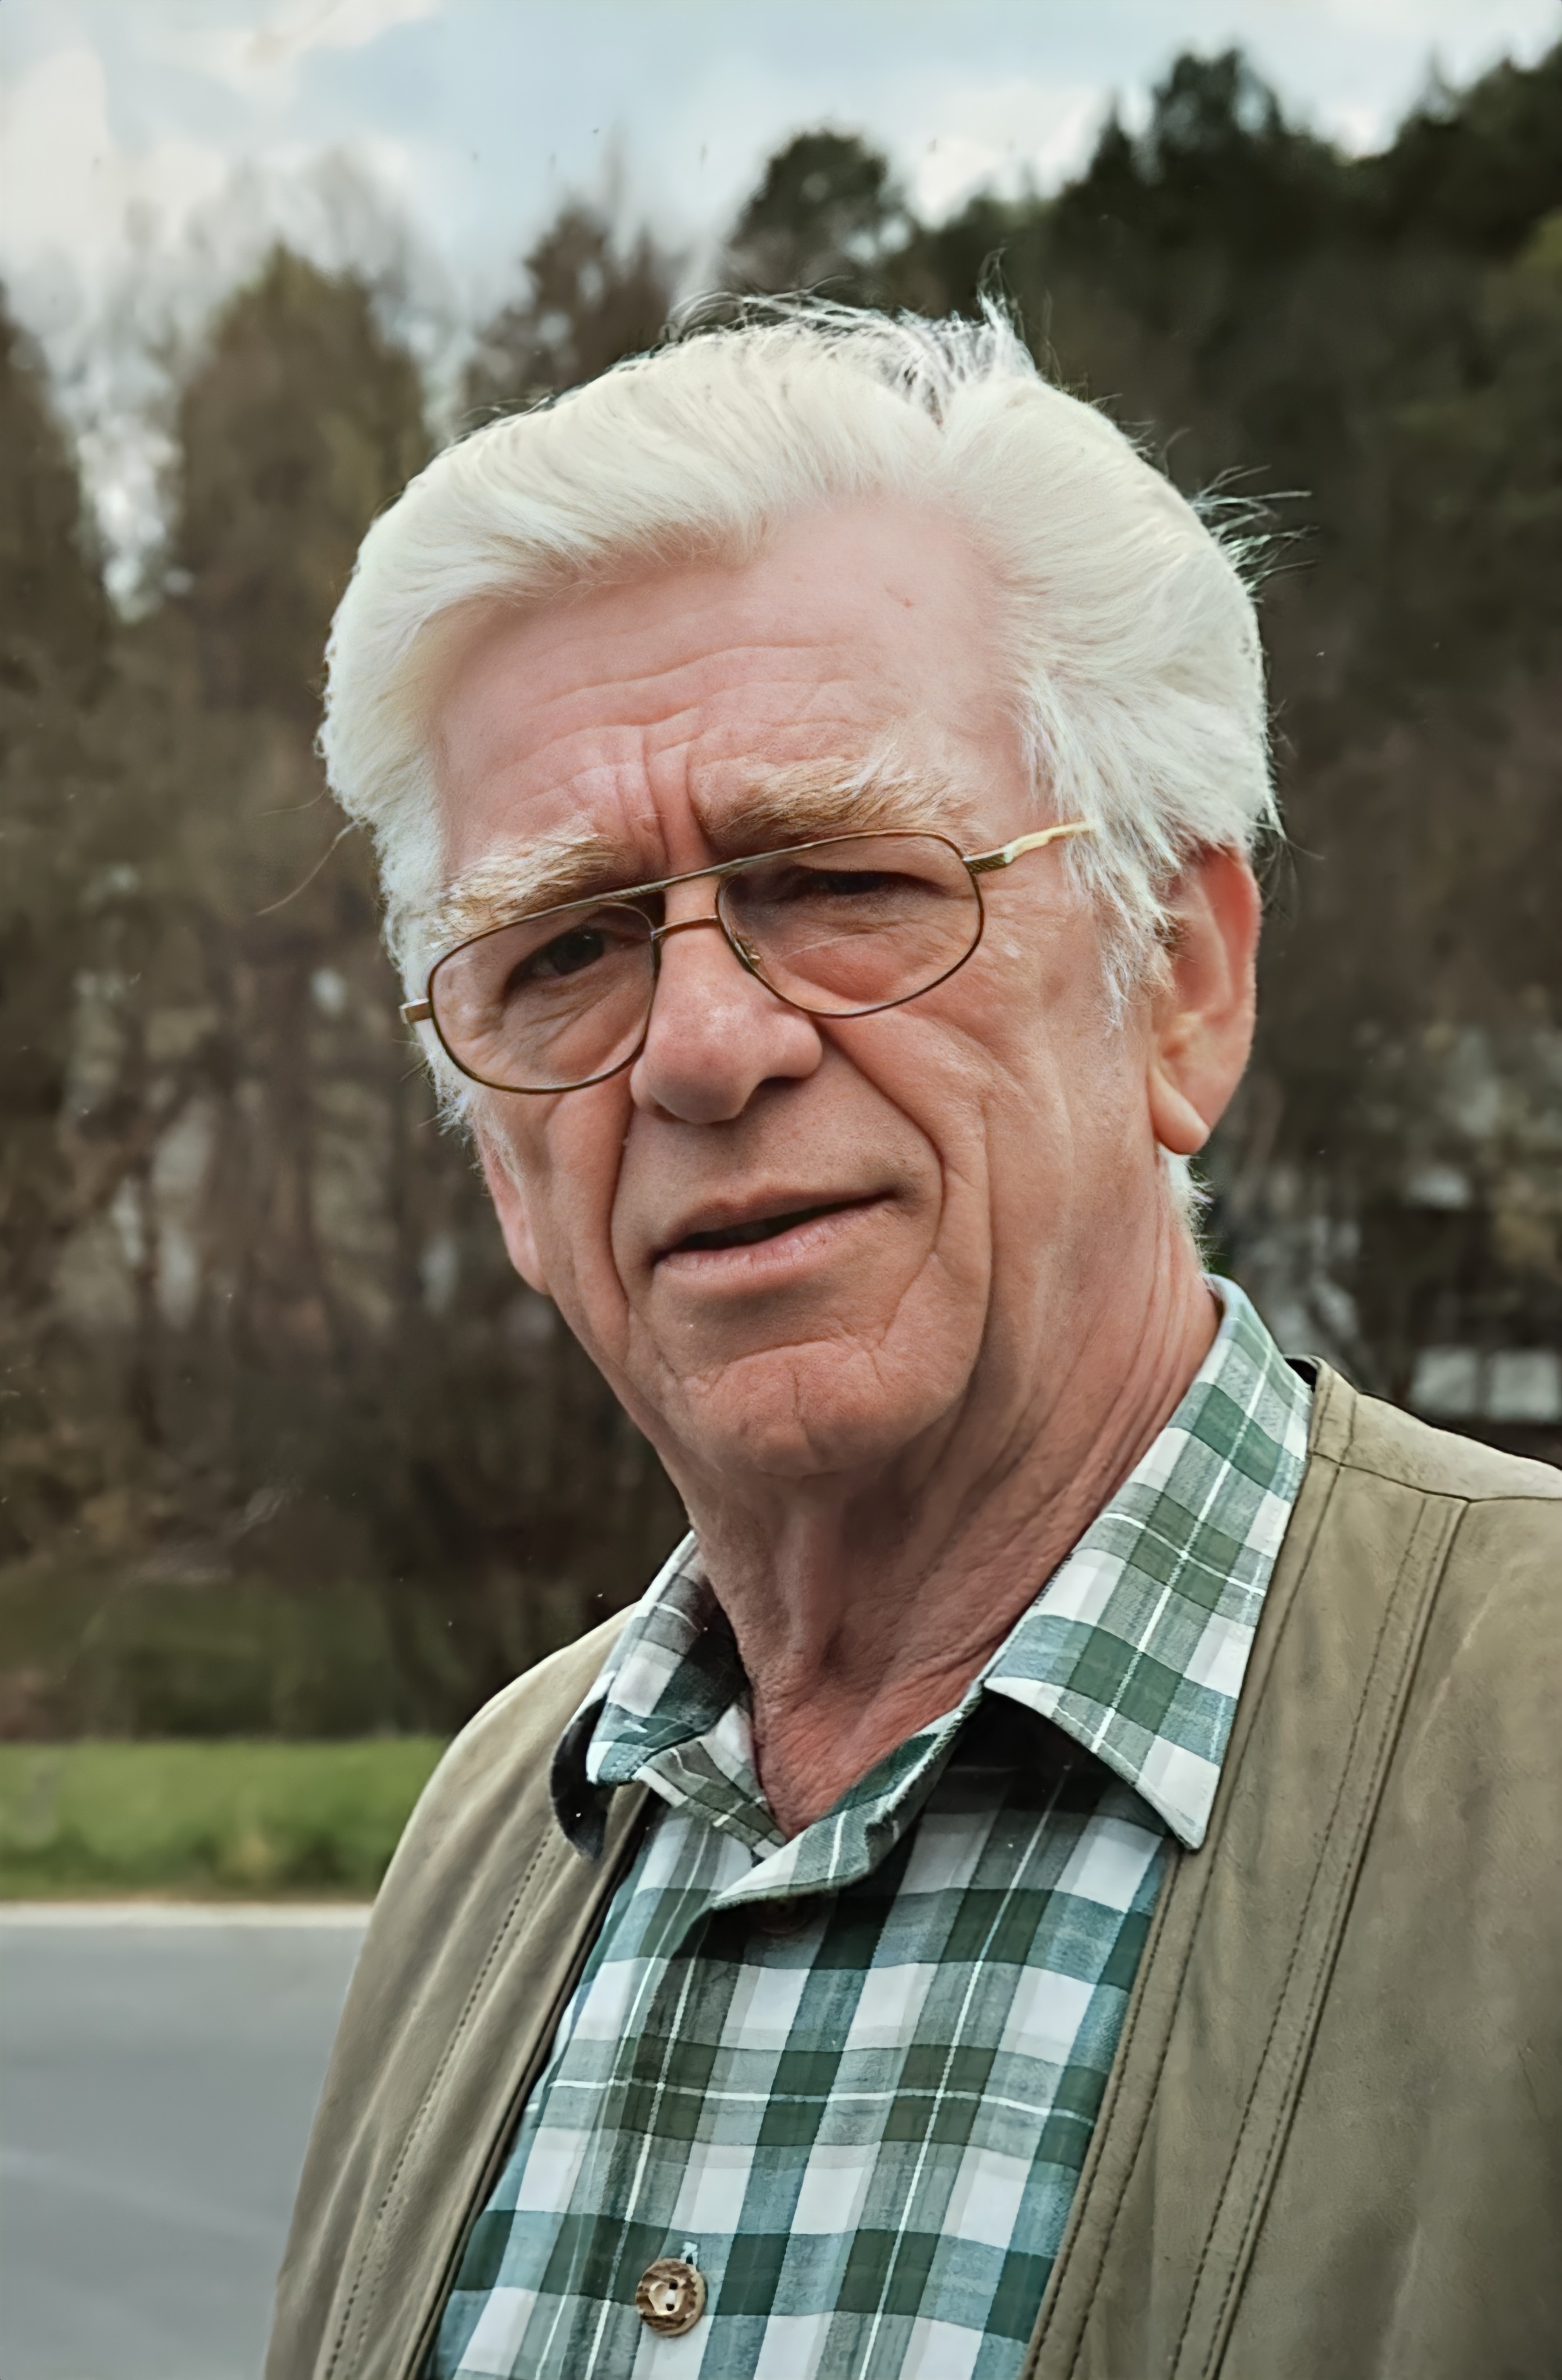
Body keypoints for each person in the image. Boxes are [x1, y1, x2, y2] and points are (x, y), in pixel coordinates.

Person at [266, 308, 1561, 2380]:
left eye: (841, 881)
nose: (701, 1047)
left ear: (1180, 983)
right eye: (567, 946)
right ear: (500, 1160)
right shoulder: (494, 1839)